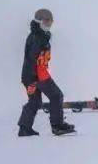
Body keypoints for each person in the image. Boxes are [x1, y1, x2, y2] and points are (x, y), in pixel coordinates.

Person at [18, 9, 75, 137]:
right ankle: (57, 126)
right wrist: (35, 79)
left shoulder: (38, 35)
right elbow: (33, 59)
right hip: (37, 75)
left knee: (35, 102)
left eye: (51, 22)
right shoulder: (38, 38)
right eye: (47, 21)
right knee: (56, 96)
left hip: (29, 76)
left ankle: (24, 128)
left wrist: (31, 79)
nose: (50, 24)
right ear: (40, 21)